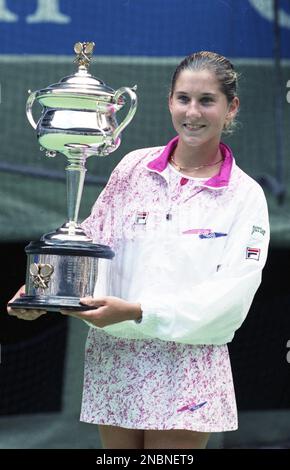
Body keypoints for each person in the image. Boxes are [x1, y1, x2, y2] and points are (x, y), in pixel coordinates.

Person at [8, 51, 270, 450]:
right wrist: (40, 288)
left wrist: (140, 312)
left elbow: (233, 295)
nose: (192, 112)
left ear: (230, 107)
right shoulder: (132, 167)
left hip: (187, 365)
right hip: (117, 353)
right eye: (183, 98)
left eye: (206, 100)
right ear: (169, 101)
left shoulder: (245, 195)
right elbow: (92, 237)